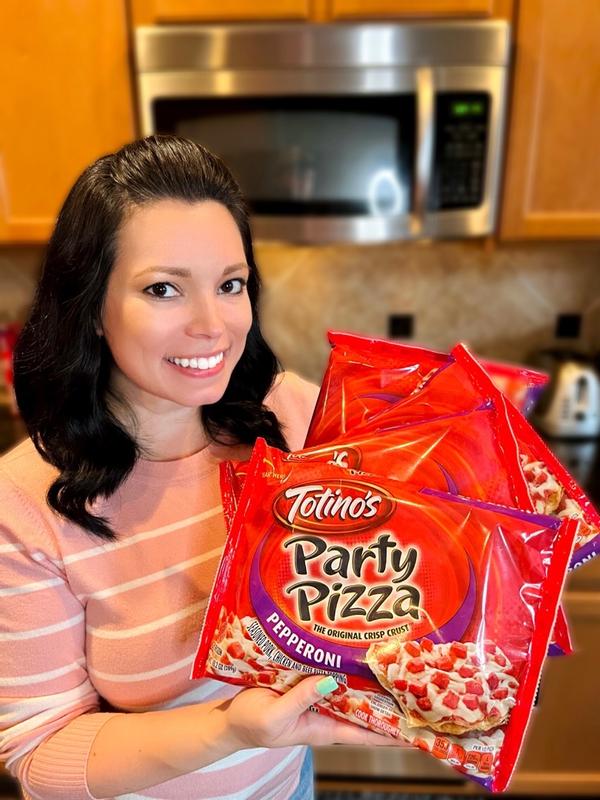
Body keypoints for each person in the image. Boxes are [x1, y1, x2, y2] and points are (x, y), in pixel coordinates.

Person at [0, 135, 401, 800]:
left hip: (286, 786)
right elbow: (41, 753)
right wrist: (230, 730)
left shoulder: (294, 420)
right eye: (164, 289)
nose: (212, 325)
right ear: (92, 308)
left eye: (231, 284)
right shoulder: (26, 504)